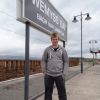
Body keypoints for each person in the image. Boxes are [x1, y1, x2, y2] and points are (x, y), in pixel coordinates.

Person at [42, 32, 68, 100]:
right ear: (51, 40)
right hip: (49, 75)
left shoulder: (63, 50)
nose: (55, 41)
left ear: (58, 40)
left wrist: (64, 74)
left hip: (60, 75)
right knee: (48, 94)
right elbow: (43, 60)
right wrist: (44, 72)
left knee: (62, 94)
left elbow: (66, 62)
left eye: (56, 39)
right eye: (53, 39)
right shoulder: (47, 50)